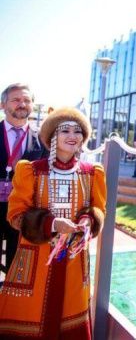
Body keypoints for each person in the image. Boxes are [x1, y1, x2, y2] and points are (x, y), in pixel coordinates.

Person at [0, 107, 106, 339]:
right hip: (37, 259)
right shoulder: (30, 170)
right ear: (52, 137)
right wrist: (52, 224)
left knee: (70, 313)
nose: (72, 135)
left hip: (74, 259)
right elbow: (15, 215)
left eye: (78, 131)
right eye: (65, 130)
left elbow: (98, 209)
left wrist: (88, 220)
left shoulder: (92, 173)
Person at [0, 83, 48, 278]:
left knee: (17, 268)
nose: (22, 104)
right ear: (3, 105)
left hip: (24, 212)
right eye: (16, 100)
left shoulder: (43, 139)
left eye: (27, 100)